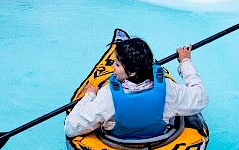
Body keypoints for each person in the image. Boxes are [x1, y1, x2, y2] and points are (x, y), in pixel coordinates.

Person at [64, 35, 208, 140]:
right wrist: (185, 62)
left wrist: (89, 96)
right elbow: (201, 98)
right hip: (159, 138)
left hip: (117, 142)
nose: (112, 66)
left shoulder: (108, 96)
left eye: (117, 64)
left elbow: (71, 128)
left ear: (132, 72)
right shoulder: (168, 90)